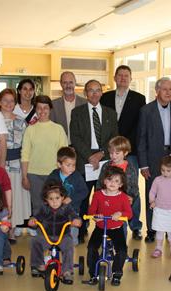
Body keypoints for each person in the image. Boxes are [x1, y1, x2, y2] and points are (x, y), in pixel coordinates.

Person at [137, 77, 171, 243]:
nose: (168, 92)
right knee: (153, 193)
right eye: (165, 89)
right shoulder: (146, 111)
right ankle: (153, 230)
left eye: (170, 89)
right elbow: (141, 138)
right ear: (157, 91)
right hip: (153, 158)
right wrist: (143, 164)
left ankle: (170, 229)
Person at [70, 79, 119, 243]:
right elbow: (75, 137)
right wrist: (90, 156)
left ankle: (105, 230)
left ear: (102, 93)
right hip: (84, 161)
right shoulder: (77, 112)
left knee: (105, 197)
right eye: (91, 90)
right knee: (83, 197)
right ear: (85, 93)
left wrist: (101, 154)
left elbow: (114, 137)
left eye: (98, 90)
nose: (94, 93)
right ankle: (82, 230)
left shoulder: (111, 113)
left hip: (104, 161)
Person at [101, 66, 146, 239]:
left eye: (126, 76)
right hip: (111, 151)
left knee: (132, 190)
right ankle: (111, 222)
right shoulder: (106, 97)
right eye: (120, 75)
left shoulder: (139, 98)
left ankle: (135, 225)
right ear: (114, 77)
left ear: (130, 78)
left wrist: (125, 146)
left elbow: (140, 125)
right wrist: (113, 147)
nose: (123, 78)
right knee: (110, 187)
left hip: (130, 151)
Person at [21, 94, 68, 232]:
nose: (42, 111)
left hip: (54, 175)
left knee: (55, 207)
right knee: (38, 207)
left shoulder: (58, 129)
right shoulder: (30, 129)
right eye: (39, 108)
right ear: (35, 109)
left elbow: (64, 154)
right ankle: (42, 236)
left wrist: (64, 175)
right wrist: (24, 176)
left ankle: (55, 235)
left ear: (50, 109)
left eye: (45, 108)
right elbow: (25, 154)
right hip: (34, 175)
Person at [84, 166, 132, 286]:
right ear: (104, 181)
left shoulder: (123, 197)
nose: (112, 183)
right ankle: (93, 273)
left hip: (116, 228)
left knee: (121, 250)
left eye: (116, 181)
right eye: (110, 180)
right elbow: (91, 211)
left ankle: (117, 273)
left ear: (121, 184)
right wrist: (95, 216)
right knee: (91, 248)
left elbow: (129, 214)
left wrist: (120, 213)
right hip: (101, 227)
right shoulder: (97, 195)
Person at [28, 182, 82, 284]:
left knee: (69, 245)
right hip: (46, 236)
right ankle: (38, 264)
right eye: (51, 199)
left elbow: (74, 216)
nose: (54, 202)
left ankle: (67, 271)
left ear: (62, 197)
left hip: (63, 236)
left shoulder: (67, 208)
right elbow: (36, 218)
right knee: (35, 241)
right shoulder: (43, 208)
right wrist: (33, 221)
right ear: (46, 200)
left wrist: (77, 221)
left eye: (57, 198)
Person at [0, 88, 31, 242]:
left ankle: (12, 229)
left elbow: (26, 146)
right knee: (0, 198)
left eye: (11, 101)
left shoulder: (21, 121)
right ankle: (0, 228)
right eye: (5, 101)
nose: (8, 104)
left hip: (17, 165)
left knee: (14, 197)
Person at [96, 136, 139, 240]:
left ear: (125, 153)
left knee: (120, 226)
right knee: (105, 225)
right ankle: (106, 247)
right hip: (106, 201)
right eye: (111, 153)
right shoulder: (106, 166)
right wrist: (98, 196)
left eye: (117, 153)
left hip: (121, 203)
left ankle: (121, 249)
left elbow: (134, 187)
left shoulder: (130, 168)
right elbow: (100, 183)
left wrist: (131, 197)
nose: (113, 156)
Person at [45, 147, 88, 245]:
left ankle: (69, 256)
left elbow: (84, 191)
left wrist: (71, 198)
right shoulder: (53, 176)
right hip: (56, 213)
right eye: (68, 165)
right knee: (54, 238)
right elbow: (46, 191)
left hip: (73, 212)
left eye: (73, 165)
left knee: (71, 238)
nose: (72, 168)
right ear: (59, 164)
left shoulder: (77, 176)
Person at [148, 155, 171, 258]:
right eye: (163, 170)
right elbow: (152, 191)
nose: (165, 173)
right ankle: (158, 248)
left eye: (168, 170)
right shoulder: (157, 180)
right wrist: (152, 201)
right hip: (159, 210)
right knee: (159, 231)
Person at [50, 71, 87, 144]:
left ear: (75, 83)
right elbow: (51, 128)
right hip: (61, 147)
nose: (68, 85)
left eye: (71, 82)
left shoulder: (85, 103)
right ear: (61, 84)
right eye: (65, 83)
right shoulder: (53, 105)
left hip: (81, 148)